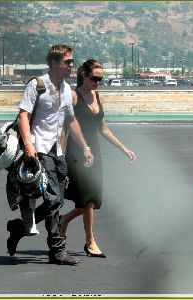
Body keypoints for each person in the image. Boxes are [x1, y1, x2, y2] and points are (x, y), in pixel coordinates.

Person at [6, 45, 94, 266]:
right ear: (54, 63)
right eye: (67, 62)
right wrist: (28, 145)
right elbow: (23, 116)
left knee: (58, 199)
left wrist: (85, 147)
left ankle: (19, 228)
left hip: (58, 152)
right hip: (39, 150)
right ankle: (57, 250)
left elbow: (70, 120)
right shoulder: (37, 85)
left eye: (72, 62)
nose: (71, 66)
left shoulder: (65, 89)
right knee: (54, 199)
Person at [60, 59, 136, 258]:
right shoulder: (74, 97)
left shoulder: (97, 96)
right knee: (88, 200)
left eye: (101, 79)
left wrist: (123, 149)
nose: (98, 82)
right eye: (94, 78)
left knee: (91, 200)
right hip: (77, 153)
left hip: (95, 152)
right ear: (84, 75)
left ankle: (64, 220)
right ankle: (90, 242)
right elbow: (65, 127)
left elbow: (103, 129)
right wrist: (60, 153)